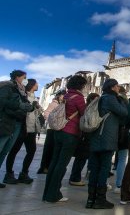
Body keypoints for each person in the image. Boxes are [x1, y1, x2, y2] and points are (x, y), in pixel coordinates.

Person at [42, 75, 87, 203]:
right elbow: (84, 114)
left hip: (59, 132)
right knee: (62, 165)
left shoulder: (66, 96)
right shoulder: (78, 98)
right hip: (70, 134)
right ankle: (54, 195)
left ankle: (47, 193)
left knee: (54, 162)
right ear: (81, 86)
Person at [86, 79, 128, 209]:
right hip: (106, 138)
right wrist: (121, 99)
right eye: (117, 86)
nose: (118, 88)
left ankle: (90, 199)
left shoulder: (100, 98)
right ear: (112, 87)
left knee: (94, 169)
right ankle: (100, 200)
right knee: (104, 168)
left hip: (96, 137)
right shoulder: (111, 98)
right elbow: (124, 112)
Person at [4, 79, 42, 185]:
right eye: (36, 83)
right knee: (14, 151)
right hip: (22, 127)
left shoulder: (34, 97)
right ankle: (9, 174)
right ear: (32, 85)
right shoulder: (24, 96)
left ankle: (24, 173)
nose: (38, 85)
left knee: (31, 151)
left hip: (31, 129)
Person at [0, 70, 33, 188]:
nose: (26, 80)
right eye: (24, 77)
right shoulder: (8, 87)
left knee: (5, 151)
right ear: (17, 77)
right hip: (5, 122)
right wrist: (19, 106)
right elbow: (2, 102)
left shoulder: (22, 91)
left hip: (16, 123)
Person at [68, 93, 100, 186]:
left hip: (84, 136)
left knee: (83, 158)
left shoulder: (87, 108)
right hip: (85, 137)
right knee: (81, 158)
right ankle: (75, 178)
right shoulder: (88, 109)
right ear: (91, 100)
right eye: (96, 99)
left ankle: (78, 177)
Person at [37, 89, 66, 174]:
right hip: (51, 129)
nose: (64, 97)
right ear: (59, 96)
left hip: (56, 129)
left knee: (53, 149)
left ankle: (48, 166)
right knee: (48, 149)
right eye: (63, 95)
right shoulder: (54, 104)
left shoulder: (61, 104)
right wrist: (53, 121)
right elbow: (46, 113)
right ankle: (44, 167)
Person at [113, 86, 129, 194]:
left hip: (111, 132)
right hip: (123, 133)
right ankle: (119, 185)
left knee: (107, 158)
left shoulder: (111, 100)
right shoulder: (127, 103)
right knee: (122, 159)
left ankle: (103, 183)